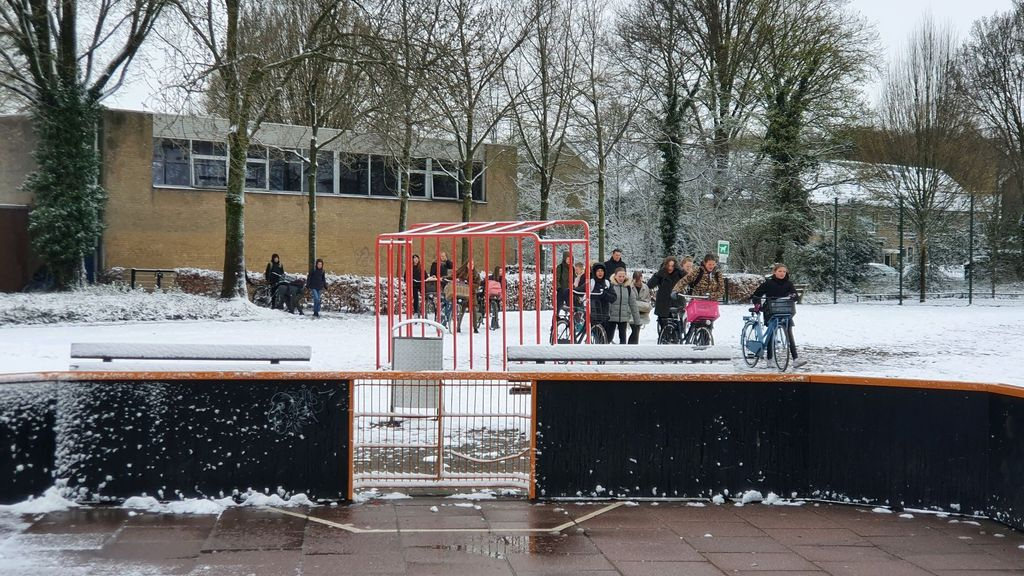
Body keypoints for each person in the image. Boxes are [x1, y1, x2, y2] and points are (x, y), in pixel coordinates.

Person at [751, 263, 805, 368]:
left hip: (785, 311)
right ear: (774, 272)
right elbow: (757, 294)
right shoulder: (768, 283)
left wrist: (793, 296)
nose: (782, 273)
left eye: (784, 271)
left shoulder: (789, 284)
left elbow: (795, 296)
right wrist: (757, 303)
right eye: (779, 271)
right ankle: (770, 359)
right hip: (771, 311)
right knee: (771, 334)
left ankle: (795, 359)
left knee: (789, 334)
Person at [647, 256, 683, 332]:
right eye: (668, 265)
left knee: (677, 327)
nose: (670, 268)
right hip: (663, 302)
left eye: (672, 266)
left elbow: (689, 280)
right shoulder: (661, 273)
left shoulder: (679, 273)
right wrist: (658, 275)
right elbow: (650, 285)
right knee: (663, 325)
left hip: (676, 302)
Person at [606, 267, 640, 344]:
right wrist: (607, 315)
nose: (621, 278)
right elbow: (607, 303)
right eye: (619, 276)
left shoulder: (628, 288)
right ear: (615, 276)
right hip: (611, 317)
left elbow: (633, 304)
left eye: (623, 276)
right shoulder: (610, 287)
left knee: (623, 339)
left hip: (623, 317)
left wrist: (637, 321)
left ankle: (622, 355)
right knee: (608, 338)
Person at [629, 271, 652, 344]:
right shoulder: (629, 286)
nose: (638, 282)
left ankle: (633, 346)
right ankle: (632, 346)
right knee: (635, 329)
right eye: (637, 280)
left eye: (640, 279)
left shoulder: (645, 287)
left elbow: (648, 299)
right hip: (631, 312)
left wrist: (638, 304)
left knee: (637, 329)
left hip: (642, 312)